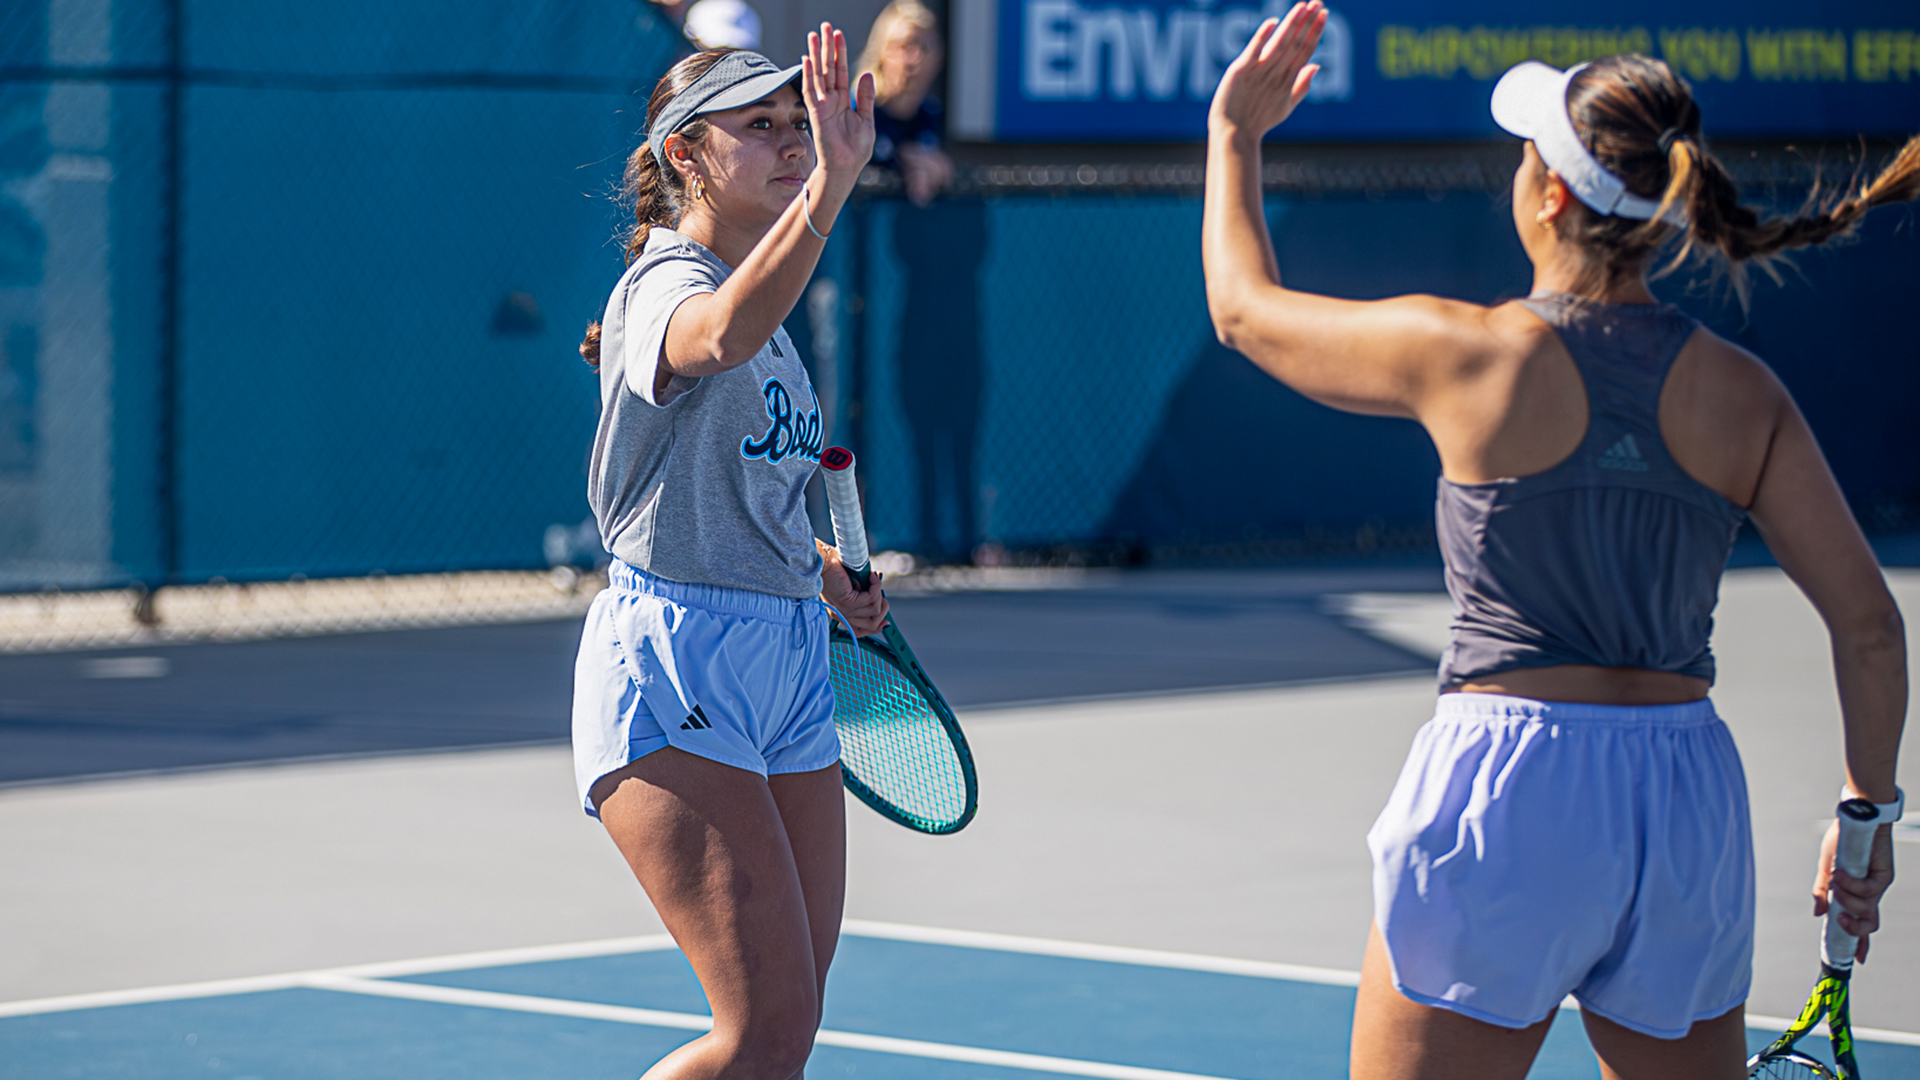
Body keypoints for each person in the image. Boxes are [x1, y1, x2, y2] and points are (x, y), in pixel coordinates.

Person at [1202, 5, 1915, 1079]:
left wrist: (1235, 138)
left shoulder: (1469, 354)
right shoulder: (1745, 394)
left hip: (1508, 793)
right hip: (1685, 803)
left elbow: (1245, 313)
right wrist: (1865, 823)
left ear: (1547, 195)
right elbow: (1868, 626)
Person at [571, 32, 886, 1079]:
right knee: (754, 1031)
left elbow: (746, 487)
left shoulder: (777, 310)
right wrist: (828, 195)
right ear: (685, 159)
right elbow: (715, 338)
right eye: (762, 126)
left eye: (799, 124)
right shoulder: (663, 285)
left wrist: (824, 571)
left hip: (787, 659)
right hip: (676, 659)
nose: (793, 140)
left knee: (787, 1035)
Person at [857, 0, 952, 207]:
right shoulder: (857, 110)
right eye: (904, 46)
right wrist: (902, 161)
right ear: (881, 52)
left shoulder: (931, 115)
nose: (913, 60)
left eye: (924, 48)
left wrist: (940, 170)